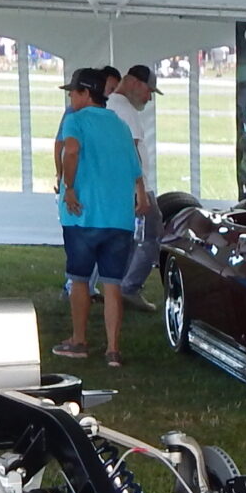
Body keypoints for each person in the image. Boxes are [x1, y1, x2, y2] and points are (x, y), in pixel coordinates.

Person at [54, 68, 148, 366]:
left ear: (84, 93)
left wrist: (69, 187)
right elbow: (135, 167)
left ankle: (79, 341)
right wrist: (142, 196)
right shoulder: (120, 125)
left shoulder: (75, 120)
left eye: (73, 92)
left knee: (79, 280)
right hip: (118, 217)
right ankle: (113, 350)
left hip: (83, 215)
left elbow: (70, 151)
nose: (70, 96)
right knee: (112, 284)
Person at [108, 62, 164, 307]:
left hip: (119, 187)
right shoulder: (127, 111)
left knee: (128, 238)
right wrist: (141, 190)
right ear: (133, 83)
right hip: (135, 187)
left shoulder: (108, 105)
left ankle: (118, 284)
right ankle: (129, 287)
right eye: (148, 91)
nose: (149, 98)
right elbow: (132, 154)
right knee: (152, 235)